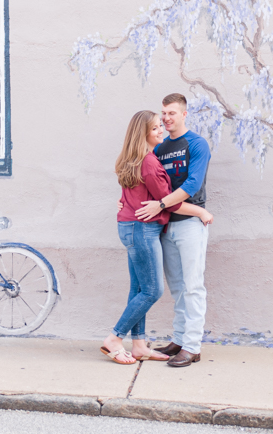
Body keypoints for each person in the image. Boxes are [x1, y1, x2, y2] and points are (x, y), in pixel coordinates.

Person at [101, 110, 213, 365]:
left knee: (138, 288)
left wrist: (126, 204)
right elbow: (168, 203)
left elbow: (131, 196)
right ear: (143, 134)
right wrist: (199, 210)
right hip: (143, 229)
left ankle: (139, 344)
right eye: (154, 128)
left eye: (160, 125)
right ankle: (114, 338)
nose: (161, 130)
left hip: (130, 226)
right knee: (152, 290)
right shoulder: (150, 163)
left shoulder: (130, 159)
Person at [135, 93, 211, 368]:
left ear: (184, 114)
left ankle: (192, 347)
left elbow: (192, 184)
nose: (166, 118)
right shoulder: (160, 148)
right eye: (164, 113)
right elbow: (146, 180)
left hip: (190, 224)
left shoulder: (196, 144)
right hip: (167, 226)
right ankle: (179, 340)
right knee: (178, 287)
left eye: (172, 113)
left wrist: (161, 204)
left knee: (193, 287)